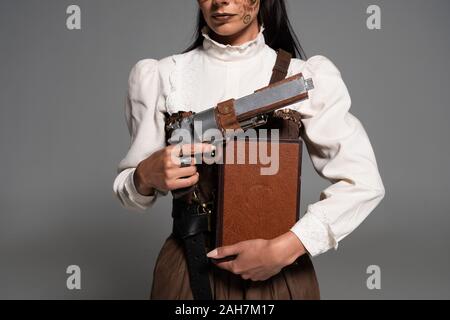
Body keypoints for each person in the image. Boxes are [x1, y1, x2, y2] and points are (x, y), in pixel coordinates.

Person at [113, 0, 385, 300]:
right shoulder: (162, 76)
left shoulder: (305, 78)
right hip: (188, 273)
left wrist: (285, 249)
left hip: (279, 277)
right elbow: (131, 195)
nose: (221, 1)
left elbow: (364, 183)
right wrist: (144, 175)